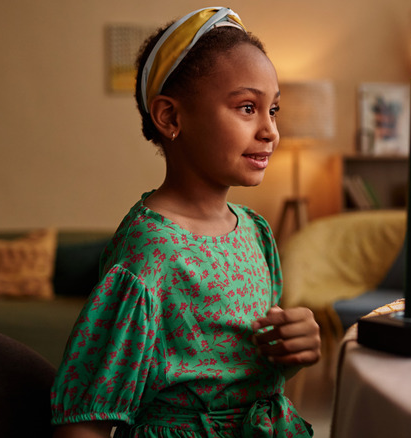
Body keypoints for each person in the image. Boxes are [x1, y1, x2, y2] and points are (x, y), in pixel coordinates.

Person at [51, 7, 321, 437]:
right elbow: (85, 421)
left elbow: (239, 374)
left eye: (274, 110)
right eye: (248, 107)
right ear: (171, 118)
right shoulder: (149, 253)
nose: (270, 130)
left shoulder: (256, 232)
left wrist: (289, 352)